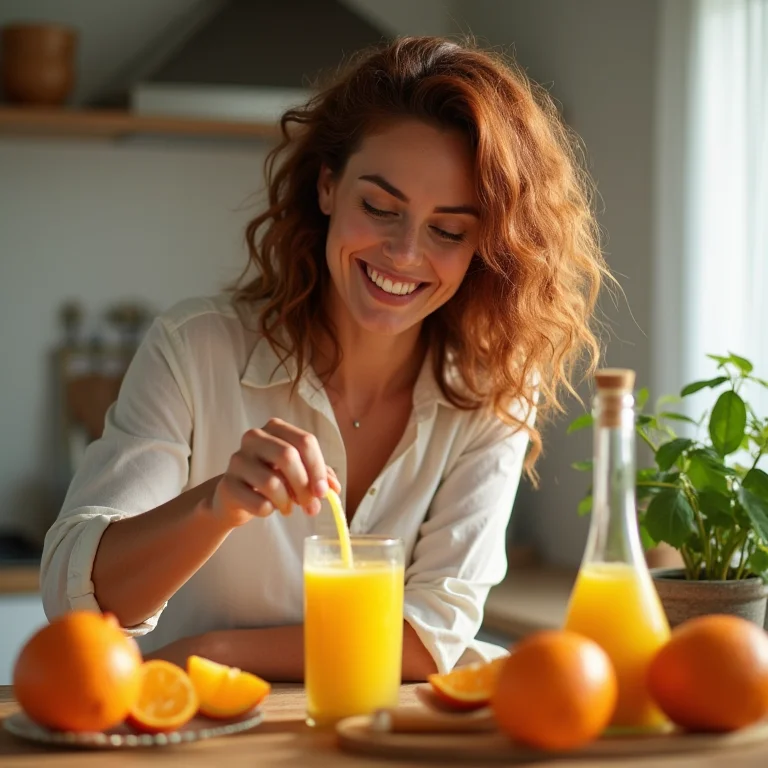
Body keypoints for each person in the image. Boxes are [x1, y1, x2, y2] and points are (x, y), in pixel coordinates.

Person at [41, 36, 609, 681]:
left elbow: (430, 635)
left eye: (447, 230)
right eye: (379, 207)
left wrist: (209, 653)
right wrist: (218, 505)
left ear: (487, 245)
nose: (403, 253)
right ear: (328, 187)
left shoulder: (493, 389)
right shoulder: (196, 348)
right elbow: (78, 603)